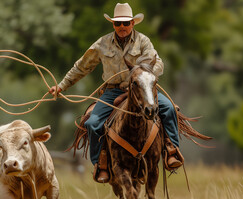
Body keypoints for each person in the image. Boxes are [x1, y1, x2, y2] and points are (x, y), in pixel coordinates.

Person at [49, 3, 183, 183]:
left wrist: (143, 74)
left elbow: (158, 63)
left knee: (169, 110)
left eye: (125, 23)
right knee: (92, 123)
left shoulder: (143, 41)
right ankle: (101, 163)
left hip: (142, 89)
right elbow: (82, 66)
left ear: (132, 23)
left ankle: (171, 150)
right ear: (113, 24)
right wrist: (61, 86)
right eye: (118, 23)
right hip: (112, 92)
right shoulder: (102, 44)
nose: (122, 27)